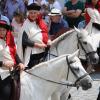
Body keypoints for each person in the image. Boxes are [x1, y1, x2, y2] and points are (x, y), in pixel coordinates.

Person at [17, 3, 49, 69]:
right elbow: (24, 40)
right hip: (32, 53)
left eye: (35, 13)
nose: (33, 14)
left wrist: (48, 40)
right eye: (31, 13)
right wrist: (38, 45)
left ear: (38, 13)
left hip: (42, 51)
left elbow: (45, 34)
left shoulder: (41, 22)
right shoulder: (26, 24)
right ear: (28, 13)